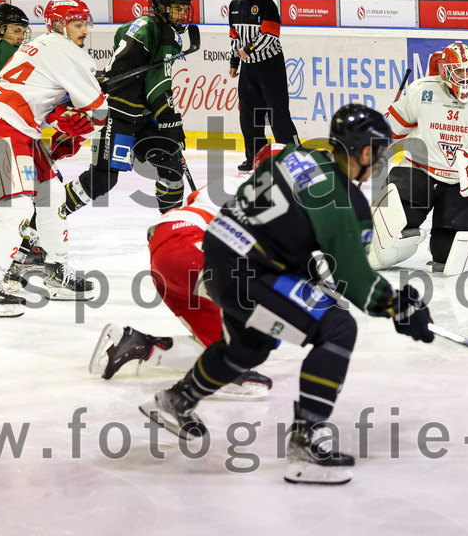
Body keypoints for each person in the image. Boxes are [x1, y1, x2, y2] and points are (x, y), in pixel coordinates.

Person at [139, 104, 434, 485]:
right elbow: (356, 283)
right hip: (250, 273)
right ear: (363, 152)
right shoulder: (345, 202)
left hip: (217, 259)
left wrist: (293, 267)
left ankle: (177, 400)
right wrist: (399, 306)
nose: (377, 162)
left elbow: (259, 210)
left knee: (250, 347)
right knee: (338, 328)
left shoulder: (296, 155)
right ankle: (305, 442)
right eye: (377, 153)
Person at [86, 144, 284, 398]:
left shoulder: (239, 182)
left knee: (228, 354)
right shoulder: (269, 193)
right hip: (190, 248)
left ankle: (138, 345)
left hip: (168, 252)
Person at [0, 0, 107, 317]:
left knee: (52, 194)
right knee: (16, 207)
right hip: (0, 123)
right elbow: (98, 111)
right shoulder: (68, 53)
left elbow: (35, 90)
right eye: (77, 24)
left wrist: (60, 114)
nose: (85, 30)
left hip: (13, 124)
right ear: (59, 26)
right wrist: (83, 117)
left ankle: (56, 271)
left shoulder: (42, 44)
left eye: (86, 23)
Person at [369, 42, 468, 273]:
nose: (465, 76)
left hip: (461, 182)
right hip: (418, 171)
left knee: (445, 258)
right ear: (445, 71)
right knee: (383, 236)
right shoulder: (421, 90)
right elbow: (391, 128)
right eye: (459, 70)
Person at [64, 0, 200, 217]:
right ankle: (51, 214)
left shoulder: (140, 24)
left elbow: (120, 37)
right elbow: (158, 85)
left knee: (171, 168)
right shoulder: (167, 34)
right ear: (160, 7)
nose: (181, 14)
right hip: (116, 113)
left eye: (183, 9)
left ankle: (169, 225)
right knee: (102, 179)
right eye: (176, 8)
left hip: (139, 114)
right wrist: (170, 121)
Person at [227, 0, 299, 172]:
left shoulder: (267, 3)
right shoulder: (233, 5)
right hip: (249, 69)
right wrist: (234, 61)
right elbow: (234, 36)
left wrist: (248, 49)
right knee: (248, 116)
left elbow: (271, 35)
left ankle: (293, 156)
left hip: (270, 66)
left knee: (278, 115)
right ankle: (255, 157)